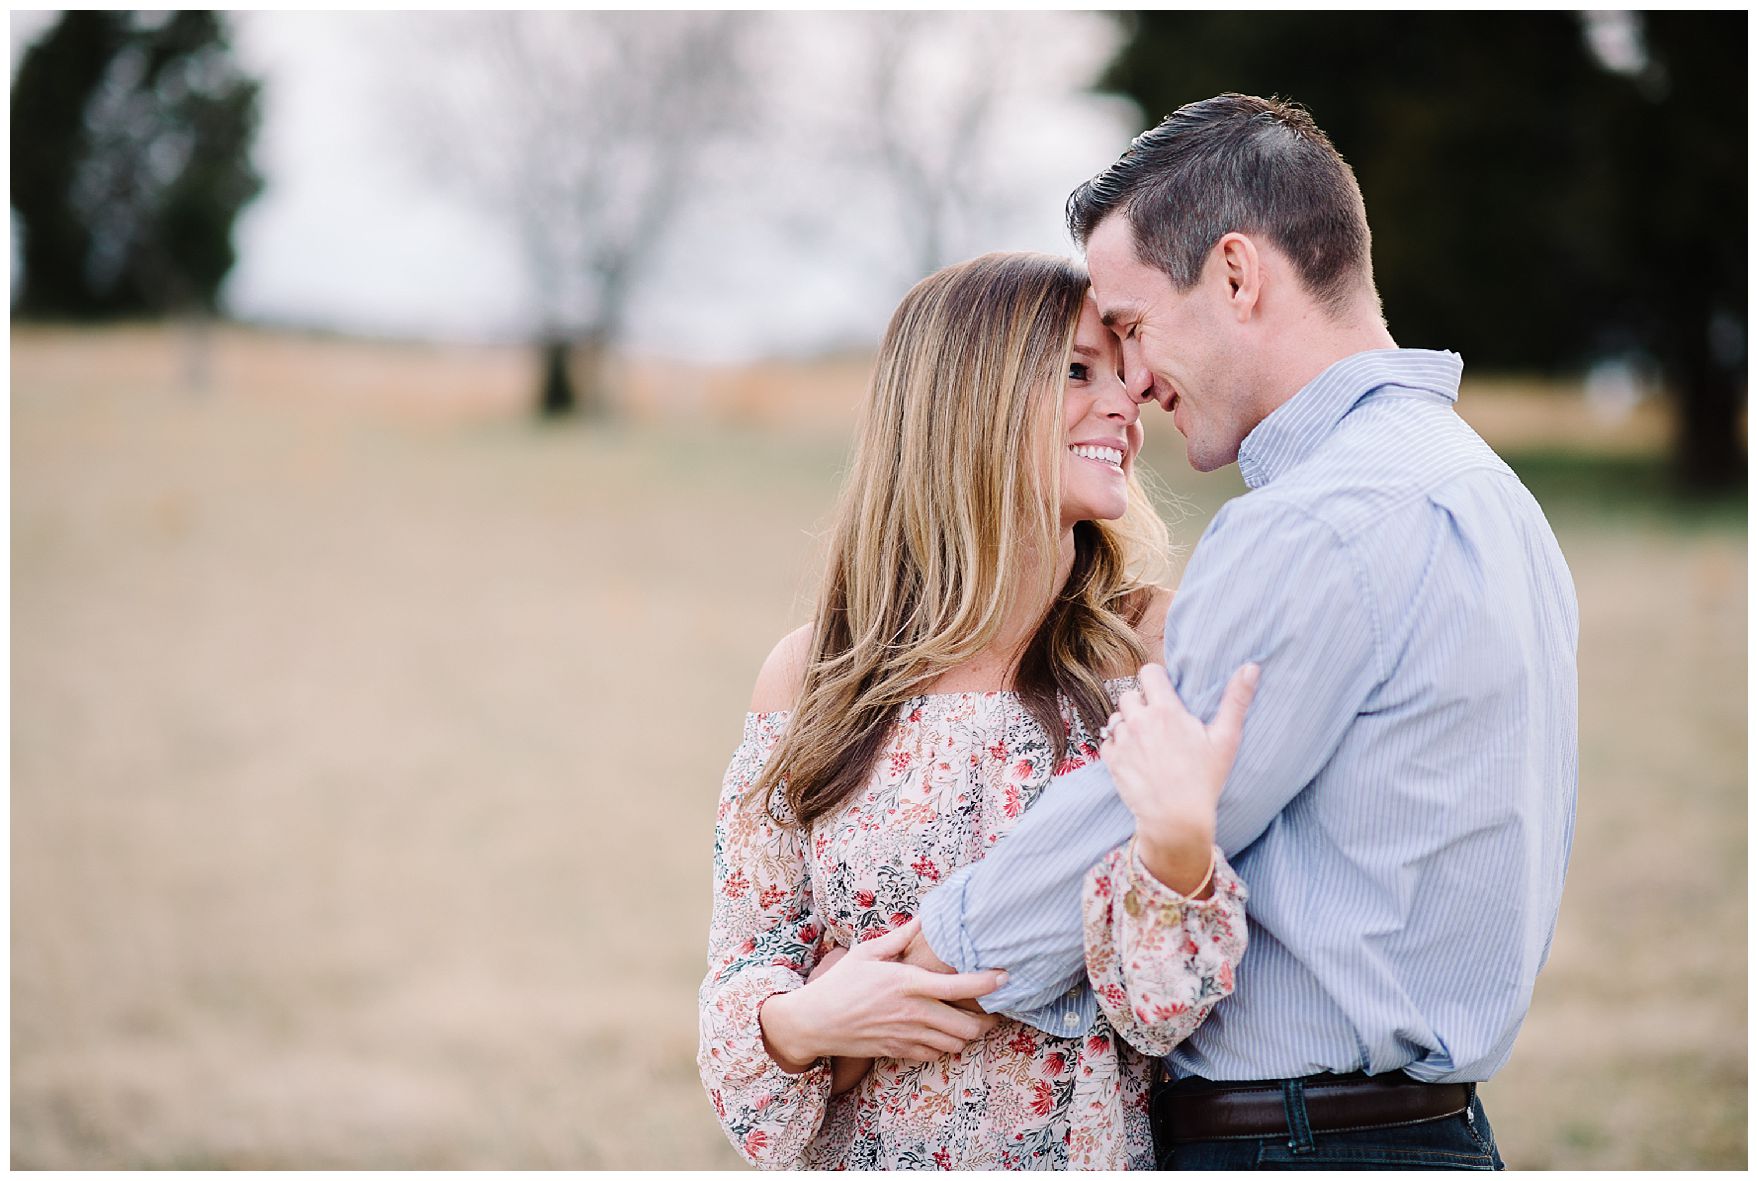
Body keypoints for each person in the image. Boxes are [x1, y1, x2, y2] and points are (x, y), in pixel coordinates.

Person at [907, 94, 1580, 1170]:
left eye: (1132, 326)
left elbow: (1136, 813)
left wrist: (918, 963)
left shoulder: (1321, 523)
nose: (1133, 380)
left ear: (1235, 274)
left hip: (1301, 1142)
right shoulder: (1484, 490)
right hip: (1427, 1132)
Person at [697, 252, 1260, 1169]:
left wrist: (1177, 854)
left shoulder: (1155, 649)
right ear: (968, 400)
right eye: (1078, 370)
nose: (1128, 401)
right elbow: (740, 995)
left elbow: (1168, 1011)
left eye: (1125, 372)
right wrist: (809, 1022)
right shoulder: (815, 676)